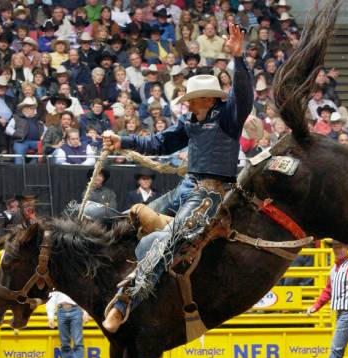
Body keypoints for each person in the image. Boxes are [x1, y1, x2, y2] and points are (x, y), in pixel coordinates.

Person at [101, 24, 251, 333]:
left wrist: (239, 59)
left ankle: (124, 300)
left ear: (207, 99)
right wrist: (123, 141)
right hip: (187, 188)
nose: (188, 102)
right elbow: (159, 142)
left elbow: (244, 96)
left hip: (211, 193)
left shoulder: (228, 118)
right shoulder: (191, 122)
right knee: (132, 220)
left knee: (171, 240)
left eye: (192, 98)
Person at [46, 291, 88, 358]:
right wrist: (50, 316)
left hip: (75, 310)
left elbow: (83, 294)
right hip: (62, 311)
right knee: (65, 344)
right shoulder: (56, 283)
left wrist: (85, 311)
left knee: (77, 342)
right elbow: (51, 299)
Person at [5, 97, 46, 164]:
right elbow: (8, 129)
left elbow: (45, 130)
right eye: (27, 107)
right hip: (21, 142)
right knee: (19, 156)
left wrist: (43, 136)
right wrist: (17, 134)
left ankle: (31, 166)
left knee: (46, 148)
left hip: (36, 142)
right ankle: (19, 171)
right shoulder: (16, 118)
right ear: (23, 108)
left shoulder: (38, 120)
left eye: (31, 108)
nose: (29, 109)